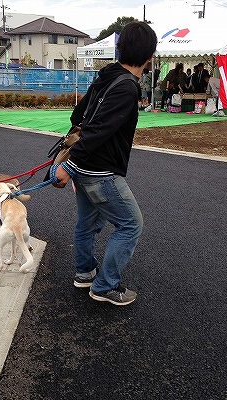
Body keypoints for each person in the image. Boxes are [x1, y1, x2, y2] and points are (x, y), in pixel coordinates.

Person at [54, 21, 158, 306]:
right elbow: (99, 130)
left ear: (120, 48)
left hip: (84, 170)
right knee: (131, 225)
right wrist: (70, 166)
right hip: (99, 172)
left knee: (87, 223)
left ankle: (85, 272)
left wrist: (74, 167)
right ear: (150, 55)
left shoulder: (107, 76)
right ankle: (105, 286)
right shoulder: (127, 87)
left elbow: (78, 118)